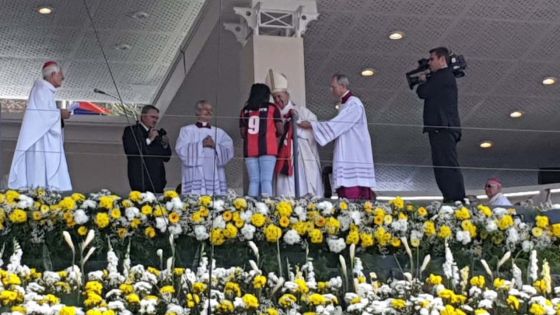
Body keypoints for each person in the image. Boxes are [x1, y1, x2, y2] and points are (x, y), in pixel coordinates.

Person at [299, 74, 375, 200]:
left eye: (333, 86)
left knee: (353, 196)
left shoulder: (354, 104)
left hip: (354, 157)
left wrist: (312, 125)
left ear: (343, 86)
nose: (331, 90)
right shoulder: (344, 105)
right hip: (348, 154)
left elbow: (337, 125)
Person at [8, 61, 72, 191]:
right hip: (39, 141)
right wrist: (60, 113)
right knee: (40, 173)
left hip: (43, 139)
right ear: (53, 74)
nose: (62, 78)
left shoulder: (45, 90)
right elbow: (43, 116)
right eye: (60, 74)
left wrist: (59, 115)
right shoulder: (41, 89)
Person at [416, 47, 466, 203]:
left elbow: (423, 92)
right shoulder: (443, 77)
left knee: (446, 163)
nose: (429, 62)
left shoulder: (443, 76)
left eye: (432, 59)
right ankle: (451, 196)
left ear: (442, 60)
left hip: (443, 126)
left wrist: (424, 81)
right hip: (441, 126)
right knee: (442, 164)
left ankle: (455, 197)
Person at [265, 69, 323, 198]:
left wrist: (297, 127)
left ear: (287, 94)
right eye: (275, 98)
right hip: (282, 154)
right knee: (284, 190)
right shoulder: (272, 115)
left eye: (280, 96)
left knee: (304, 187)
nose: (277, 100)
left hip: (302, 154)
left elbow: (315, 129)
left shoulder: (302, 111)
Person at [175, 100, 234, 195]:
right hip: (195, 173)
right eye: (205, 109)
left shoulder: (219, 132)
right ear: (197, 112)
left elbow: (229, 150)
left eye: (210, 110)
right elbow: (181, 149)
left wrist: (215, 145)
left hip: (214, 170)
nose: (209, 112)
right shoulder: (186, 130)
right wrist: (201, 144)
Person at [240, 83, 283, 197]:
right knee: (266, 180)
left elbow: (243, 133)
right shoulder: (272, 108)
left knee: (254, 181)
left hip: (250, 150)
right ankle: (266, 206)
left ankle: (251, 207)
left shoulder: (245, 110)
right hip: (268, 148)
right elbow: (280, 129)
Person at [122, 105, 171, 193]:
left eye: (156, 118)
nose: (155, 120)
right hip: (140, 179)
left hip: (158, 181)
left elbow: (166, 158)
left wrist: (165, 145)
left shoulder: (158, 133)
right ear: (143, 116)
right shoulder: (132, 131)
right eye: (152, 117)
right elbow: (132, 151)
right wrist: (149, 139)